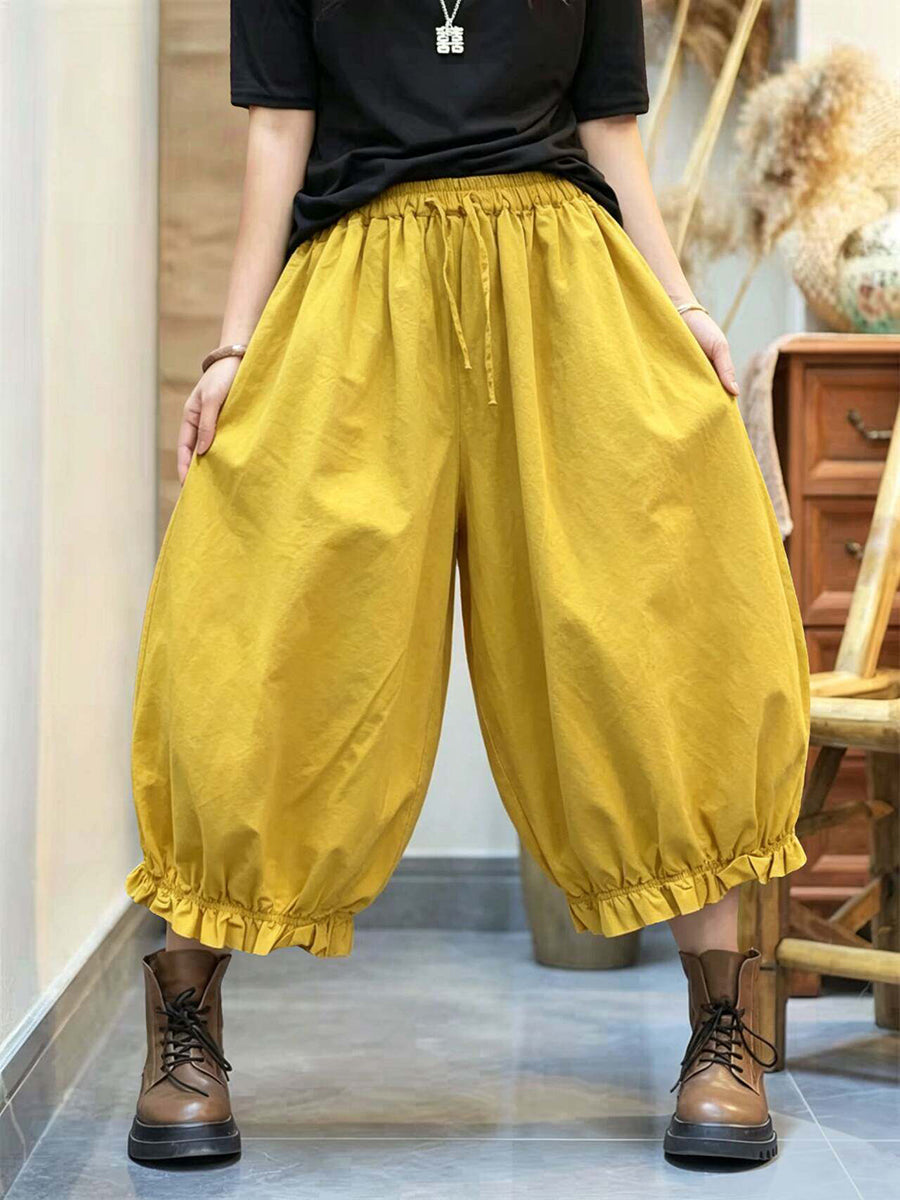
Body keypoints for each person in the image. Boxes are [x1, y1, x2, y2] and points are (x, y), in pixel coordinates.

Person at [125, 0, 810, 1168]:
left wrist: (686, 303)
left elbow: (608, 131)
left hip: (564, 285)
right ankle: (183, 1025)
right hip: (358, 285)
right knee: (258, 629)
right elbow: (279, 133)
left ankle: (721, 1027)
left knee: (655, 627)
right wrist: (233, 346)